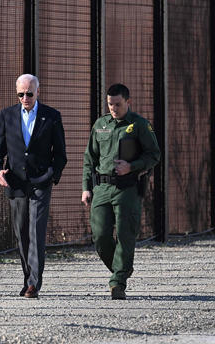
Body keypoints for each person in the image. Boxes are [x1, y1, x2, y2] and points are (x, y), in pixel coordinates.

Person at [0, 74, 67, 298]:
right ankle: (27, 277)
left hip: (41, 181)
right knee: (21, 231)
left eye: (29, 93)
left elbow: (60, 154)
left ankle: (34, 283)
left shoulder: (51, 116)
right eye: (21, 94)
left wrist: (52, 175)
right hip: (15, 183)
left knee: (36, 230)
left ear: (38, 92)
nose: (25, 98)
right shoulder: (7, 115)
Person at [81, 83, 160, 300]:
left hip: (127, 188)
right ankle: (121, 268)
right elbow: (90, 159)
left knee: (125, 235)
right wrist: (86, 188)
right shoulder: (100, 125)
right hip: (102, 188)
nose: (113, 108)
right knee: (100, 235)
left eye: (118, 104)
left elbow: (154, 155)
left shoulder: (139, 125)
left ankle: (118, 282)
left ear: (128, 102)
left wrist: (132, 167)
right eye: (110, 104)